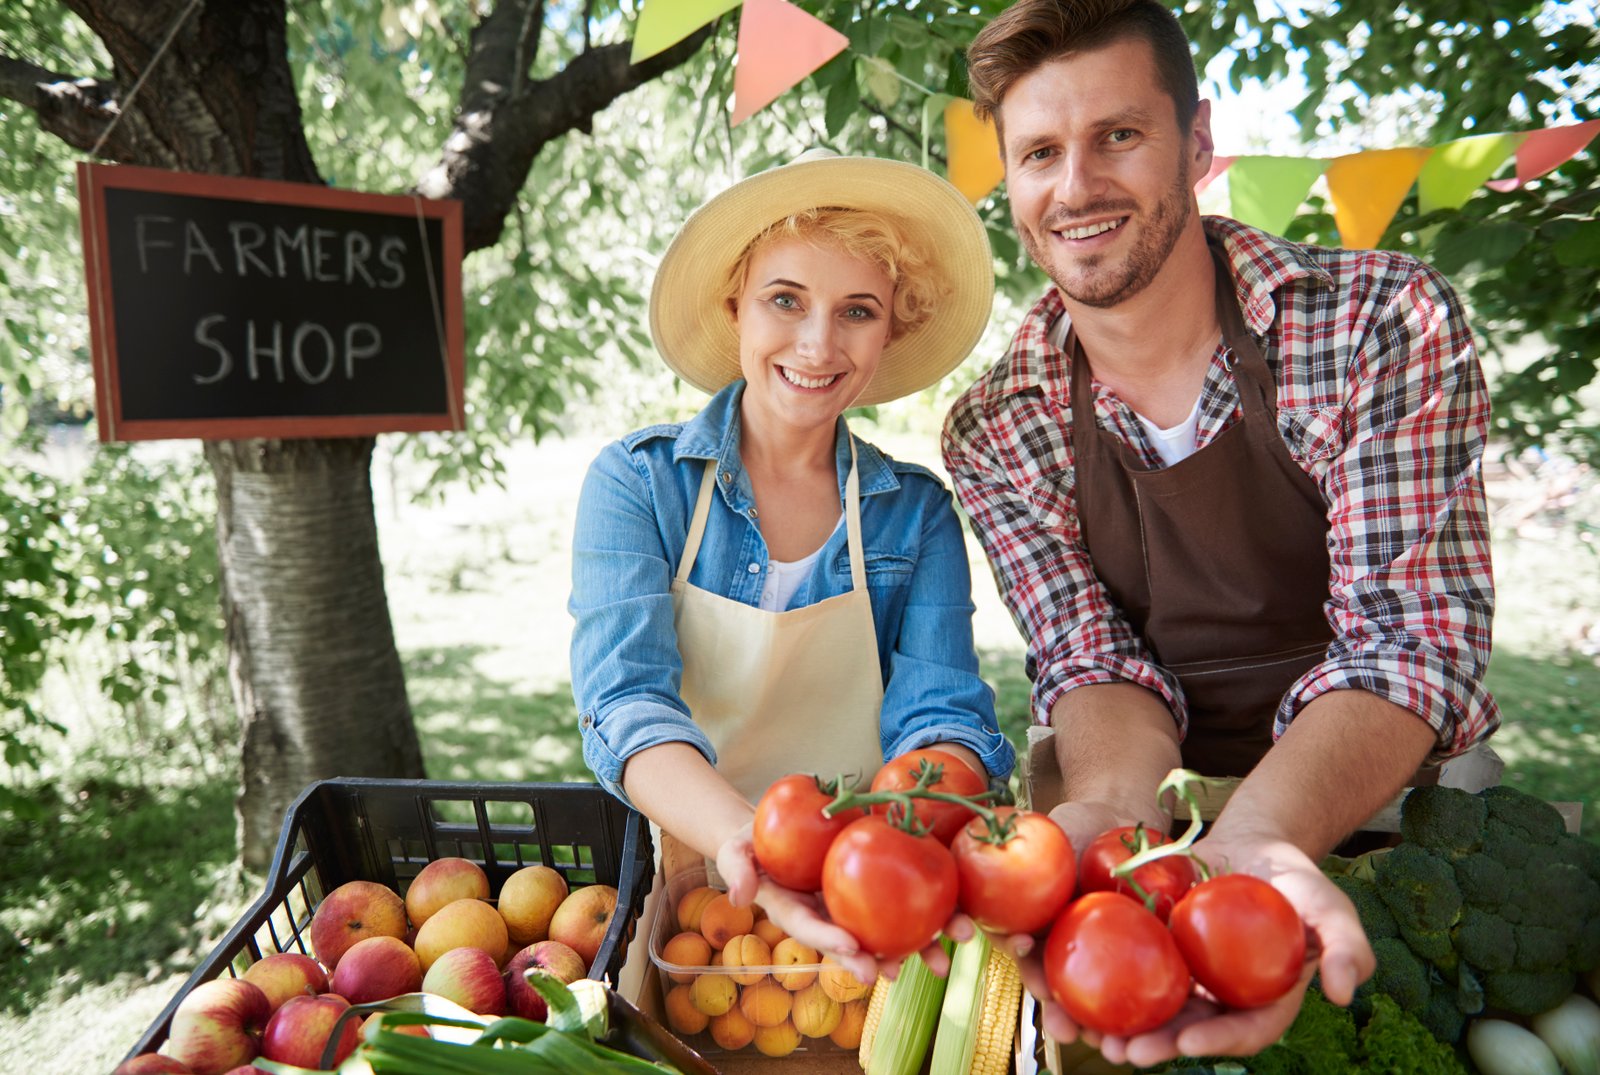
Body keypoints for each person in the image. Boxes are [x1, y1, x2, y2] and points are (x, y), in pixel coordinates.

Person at [941, 0, 1500, 1064]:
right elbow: (1089, 656)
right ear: (1009, 181)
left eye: (1118, 135)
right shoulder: (997, 425)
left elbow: (1408, 643)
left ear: (1196, 143)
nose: (1076, 186)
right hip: (1152, 843)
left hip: (1397, 808)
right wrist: (1113, 807)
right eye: (1040, 152)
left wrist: (1259, 838)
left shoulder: (1379, 323)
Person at [570, 150, 1016, 983]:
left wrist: (891, 852)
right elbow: (626, 704)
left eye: (858, 311)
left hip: (865, 891)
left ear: (890, 332)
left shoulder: (916, 514)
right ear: (735, 307)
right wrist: (749, 841)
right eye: (786, 299)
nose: (818, 343)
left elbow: (941, 714)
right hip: (696, 884)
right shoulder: (640, 484)